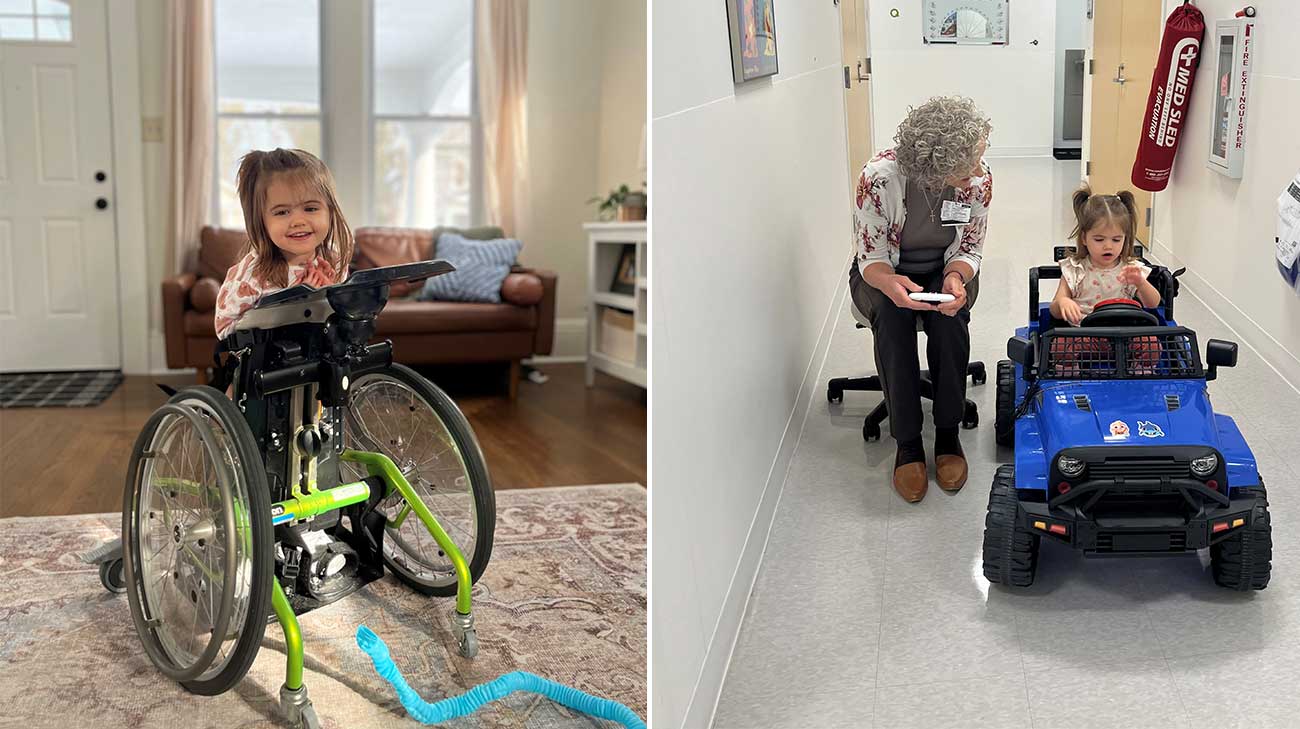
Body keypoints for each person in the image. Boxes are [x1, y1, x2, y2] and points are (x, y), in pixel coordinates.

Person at [851, 96, 993, 503]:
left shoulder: (978, 182)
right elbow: (872, 258)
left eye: (980, 160)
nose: (978, 174)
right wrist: (893, 283)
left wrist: (955, 276)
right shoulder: (879, 178)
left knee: (951, 319)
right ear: (935, 167)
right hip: (882, 271)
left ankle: (947, 433)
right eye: (967, 167)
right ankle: (908, 442)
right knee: (894, 320)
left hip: (946, 269)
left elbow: (971, 248)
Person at [214, 148, 354, 340]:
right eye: (282, 212)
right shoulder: (253, 274)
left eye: (310, 208)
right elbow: (225, 329)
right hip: (272, 364)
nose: (298, 221)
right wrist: (295, 301)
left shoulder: (333, 260)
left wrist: (332, 297)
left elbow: (341, 320)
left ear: (330, 210)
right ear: (261, 220)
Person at [1049, 186, 1162, 373]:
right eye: (1099, 240)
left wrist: (1141, 283)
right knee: (1060, 346)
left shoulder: (1130, 269)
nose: (1108, 246)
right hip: (1085, 336)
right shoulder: (1075, 269)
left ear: (1126, 239)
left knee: (1152, 345)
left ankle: (1141, 374)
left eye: (1116, 240)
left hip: (1127, 335)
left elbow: (1153, 304)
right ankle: (1069, 375)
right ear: (1084, 238)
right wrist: (1063, 302)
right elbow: (1054, 309)